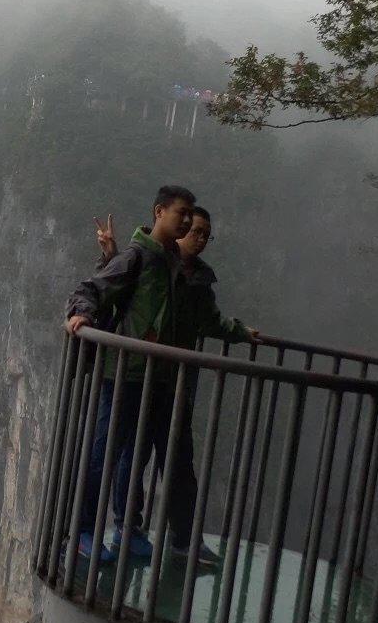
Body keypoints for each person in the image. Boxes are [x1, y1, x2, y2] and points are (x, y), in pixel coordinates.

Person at [94, 205, 257, 564]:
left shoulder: (198, 279)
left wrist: (241, 332)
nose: (199, 239)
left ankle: (183, 537)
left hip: (174, 380)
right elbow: (112, 293)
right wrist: (108, 258)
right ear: (177, 227)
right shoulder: (152, 264)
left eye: (205, 234)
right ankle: (127, 528)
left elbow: (211, 321)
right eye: (194, 230)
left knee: (178, 458)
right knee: (132, 455)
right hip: (140, 374)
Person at [65, 185, 196, 565]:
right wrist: (82, 313)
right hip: (124, 373)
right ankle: (82, 531)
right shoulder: (138, 256)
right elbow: (91, 289)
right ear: (159, 212)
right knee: (102, 452)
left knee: (134, 456)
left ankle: (128, 528)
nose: (186, 220)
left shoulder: (172, 261)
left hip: (156, 376)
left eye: (190, 214)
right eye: (180, 213)